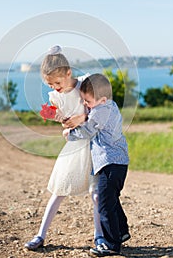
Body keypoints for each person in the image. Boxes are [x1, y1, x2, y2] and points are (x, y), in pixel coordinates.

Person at [24, 45, 103, 250]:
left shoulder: (85, 85)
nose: (55, 88)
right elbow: (63, 119)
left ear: (69, 73)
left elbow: (100, 109)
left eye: (58, 82)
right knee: (59, 190)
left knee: (96, 193)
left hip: (95, 144)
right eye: (50, 85)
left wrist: (82, 117)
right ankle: (40, 235)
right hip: (75, 146)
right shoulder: (55, 97)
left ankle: (99, 236)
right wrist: (59, 119)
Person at [65, 73, 130, 256]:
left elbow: (88, 131)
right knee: (111, 199)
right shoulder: (109, 105)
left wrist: (70, 134)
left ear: (101, 99)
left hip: (110, 163)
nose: (85, 104)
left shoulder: (100, 111)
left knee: (104, 203)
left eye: (87, 101)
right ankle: (122, 232)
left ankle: (111, 244)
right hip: (117, 163)